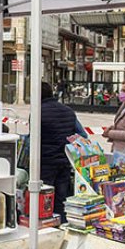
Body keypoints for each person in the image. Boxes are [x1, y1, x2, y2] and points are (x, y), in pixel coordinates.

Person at [40, 81, 87, 222]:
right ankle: (62, 223)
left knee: (44, 197)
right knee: (61, 196)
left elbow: (33, 140)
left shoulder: (38, 112)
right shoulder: (68, 111)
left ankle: (45, 223)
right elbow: (83, 135)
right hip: (65, 160)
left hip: (46, 161)